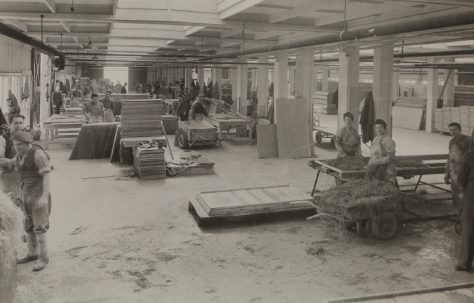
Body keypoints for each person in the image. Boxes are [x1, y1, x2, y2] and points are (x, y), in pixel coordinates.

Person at [14, 131, 52, 271]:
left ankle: (43, 257)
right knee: (28, 224)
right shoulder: (19, 156)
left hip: (37, 192)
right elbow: (18, 171)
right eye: (15, 145)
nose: (17, 147)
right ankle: (32, 253)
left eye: (19, 145)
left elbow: (46, 175)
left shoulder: (38, 154)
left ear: (27, 143)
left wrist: (44, 196)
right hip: (26, 194)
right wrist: (20, 195)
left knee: (40, 226)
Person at [445, 122, 472, 210]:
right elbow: (449, 157)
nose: (453, 132)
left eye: (455, 130)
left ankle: (465, 215)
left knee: (464, 193)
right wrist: (447, 173)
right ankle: (458, 213)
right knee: (456, 193)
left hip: (463, 172)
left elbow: (469, 158)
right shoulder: (451, 141)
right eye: (450, 130)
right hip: (454, 171)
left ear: (460, 130)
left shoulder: (468, 141)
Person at [367, 119, 396, 183]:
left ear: (385, 128)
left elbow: (390, 157)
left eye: (380, 128)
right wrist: (370, 165)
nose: (378, 130)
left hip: (386, 170)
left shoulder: (389, 141)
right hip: (375, 169)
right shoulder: (375, 139)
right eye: (377, 128)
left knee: (385, 189)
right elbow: (372, 156)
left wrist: (377, 162)